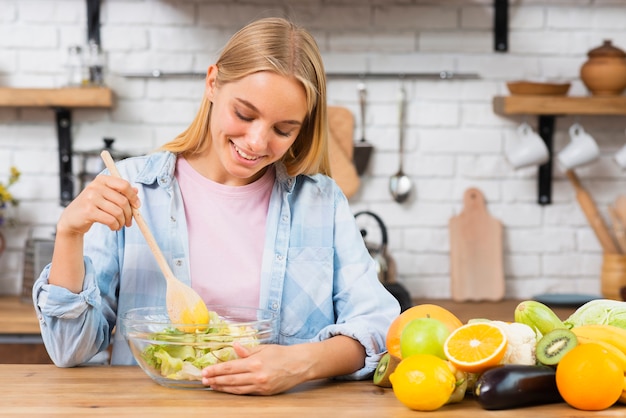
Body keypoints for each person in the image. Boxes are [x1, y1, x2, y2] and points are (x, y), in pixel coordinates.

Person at [32, 17, 400, 395]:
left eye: (283, 129)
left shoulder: (320, 203)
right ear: (212, 83)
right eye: (244, 114)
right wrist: (69, 233)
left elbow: (377, 327)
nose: (257, 142)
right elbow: (68, 349)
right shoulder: (132, 189)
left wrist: (300, 363)